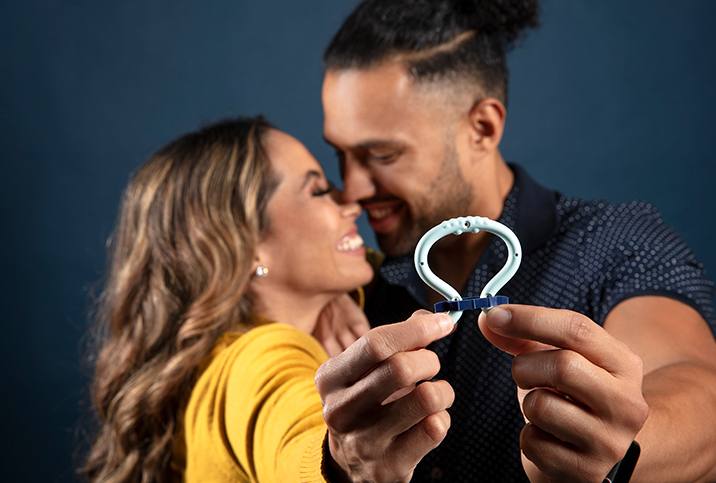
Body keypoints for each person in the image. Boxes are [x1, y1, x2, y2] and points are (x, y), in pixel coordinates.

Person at [316, 0, 716, 482]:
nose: (353, 190)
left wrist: (622, 446)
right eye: (339, 154)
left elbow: (699, 387)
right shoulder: (359, 282)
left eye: (381, 153)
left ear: (482, 127)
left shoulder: (615, 244)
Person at [84, 116, 456, 482]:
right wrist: (340, 462)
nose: (352, 204)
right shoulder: (258, 357)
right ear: (246, 248)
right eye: (319, 191)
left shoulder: (220, 348)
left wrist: (337, 295)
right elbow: (291, 436)